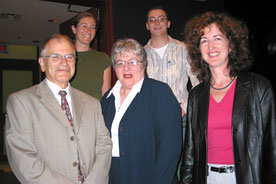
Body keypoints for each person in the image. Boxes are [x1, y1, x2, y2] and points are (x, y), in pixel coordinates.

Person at [180, 11, 276, 184]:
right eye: (204, 40)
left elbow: (273, 149)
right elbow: (190, 153)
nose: (211, 46)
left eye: (217, 38)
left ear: (231, 45)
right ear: (198, 49)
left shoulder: (259, 88)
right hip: (207, 178)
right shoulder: (196, 95)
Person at [5, 34, 112, 184]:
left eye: (69, 57)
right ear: (42, 63)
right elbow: (22, 157)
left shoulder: (92, 103)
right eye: (55, 56)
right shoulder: (21, 102)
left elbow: (104, 146)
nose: (64, 63)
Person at [101, 38, 182, 184]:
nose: (126, 68)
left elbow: (170, 149)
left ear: (144, 64)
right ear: (114, 68)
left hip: (150, 177)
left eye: (132, 62)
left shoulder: (160, 93)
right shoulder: (107, 100)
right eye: (120, 63)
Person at [145, 6, 199, 120]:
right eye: (152, 19)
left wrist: (184, 107)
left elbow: (198, 82)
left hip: (180, 117)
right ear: (147, 25)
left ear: (168, 23)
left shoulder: (184, 49)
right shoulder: (140, 54)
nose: (157, 22)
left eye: (161, 19)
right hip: (151, 117)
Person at [71, 11, 112, 99]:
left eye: (92, 27)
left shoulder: (103, 59)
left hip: (96, 112)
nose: (88, 31)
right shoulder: (65, 57)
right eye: (84, 26)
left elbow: (106, 96)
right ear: (74, 29)